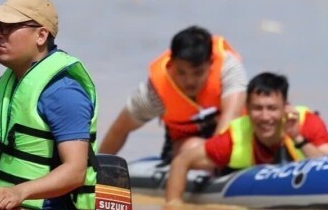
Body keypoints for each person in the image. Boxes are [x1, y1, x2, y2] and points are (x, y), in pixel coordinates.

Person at [0, 0, 99, 210]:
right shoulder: (10, 81)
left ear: (41, 35)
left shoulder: (64, 92)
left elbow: (75, 171)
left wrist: (20, 192)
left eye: (9, 27)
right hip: (10, 208)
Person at [164, 72, 328, 203]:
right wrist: (174, 207)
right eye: (257, 108)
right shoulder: (235, 137)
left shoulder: (308, 123)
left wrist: (297, 137)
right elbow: (181, 161)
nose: (264, 117)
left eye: (272, 108)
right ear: (247, 108)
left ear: (285, 107)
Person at [97, 26, 248, 162]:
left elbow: (230, 117)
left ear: (211, 63)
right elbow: (119, 130)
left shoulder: (229, 69)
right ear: (171, 64)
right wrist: (93, 174)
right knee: (192, 147)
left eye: (198, 73)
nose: (189, 81)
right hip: (185, 146)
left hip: (234, 139)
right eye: (181, 72)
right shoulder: (155, 93)